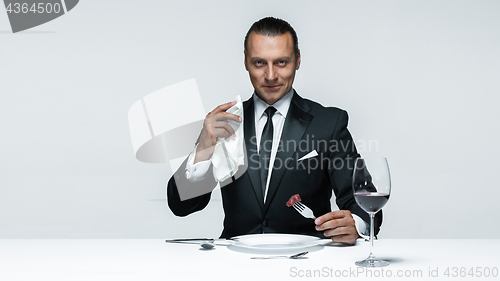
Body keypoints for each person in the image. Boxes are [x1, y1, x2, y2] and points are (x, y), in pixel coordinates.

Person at [167, 17, 382, 245]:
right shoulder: (225, 124)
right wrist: (203, 149)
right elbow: (181, 206)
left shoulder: (329, 123)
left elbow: (366, 206)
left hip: (306, 261)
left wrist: (357, 225)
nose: (270, 76)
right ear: (246, 62)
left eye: (281, 62)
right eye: (259, 63)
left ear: (298, 60)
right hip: (235, 264)